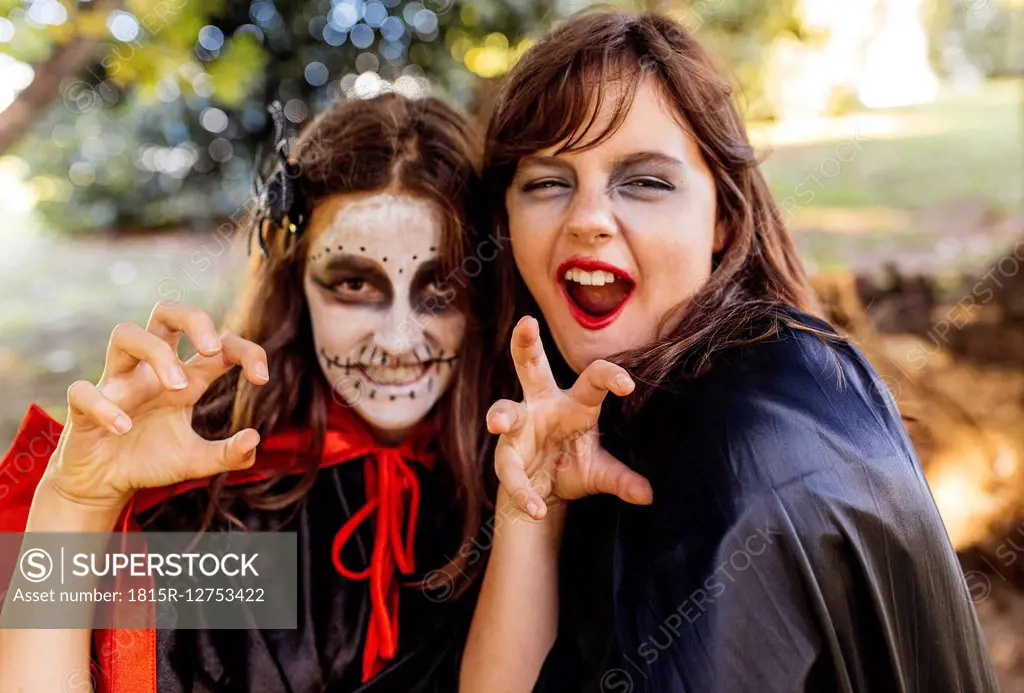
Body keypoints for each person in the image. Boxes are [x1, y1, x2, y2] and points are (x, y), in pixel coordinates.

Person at [460, 10, 998, 693]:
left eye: (645, 181)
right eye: (547, 182)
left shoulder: (745, 426)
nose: (587, 218)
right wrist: (531, 508)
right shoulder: (608, 415)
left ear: (724, 217)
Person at [0, 93, 494, 692]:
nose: (397, 340)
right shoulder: (228, 497)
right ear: (297, 278)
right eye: (355, 283)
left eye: (439, 286)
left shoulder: (509, 477)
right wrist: (77, 506)